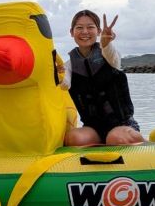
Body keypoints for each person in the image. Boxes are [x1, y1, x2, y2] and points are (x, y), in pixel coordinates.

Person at [61, 10, 144, 146]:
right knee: (73, 139)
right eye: (79, 27)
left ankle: (141, 142)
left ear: (98, 31)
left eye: (90, 27)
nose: (85, 32)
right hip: (93, 128)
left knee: (116, 138)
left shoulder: (109, 55)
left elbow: (115, 60)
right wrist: (58, 75)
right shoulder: (69, 65)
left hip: (123, 124)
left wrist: (105, 43)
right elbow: (65, 85)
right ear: (72, 32)